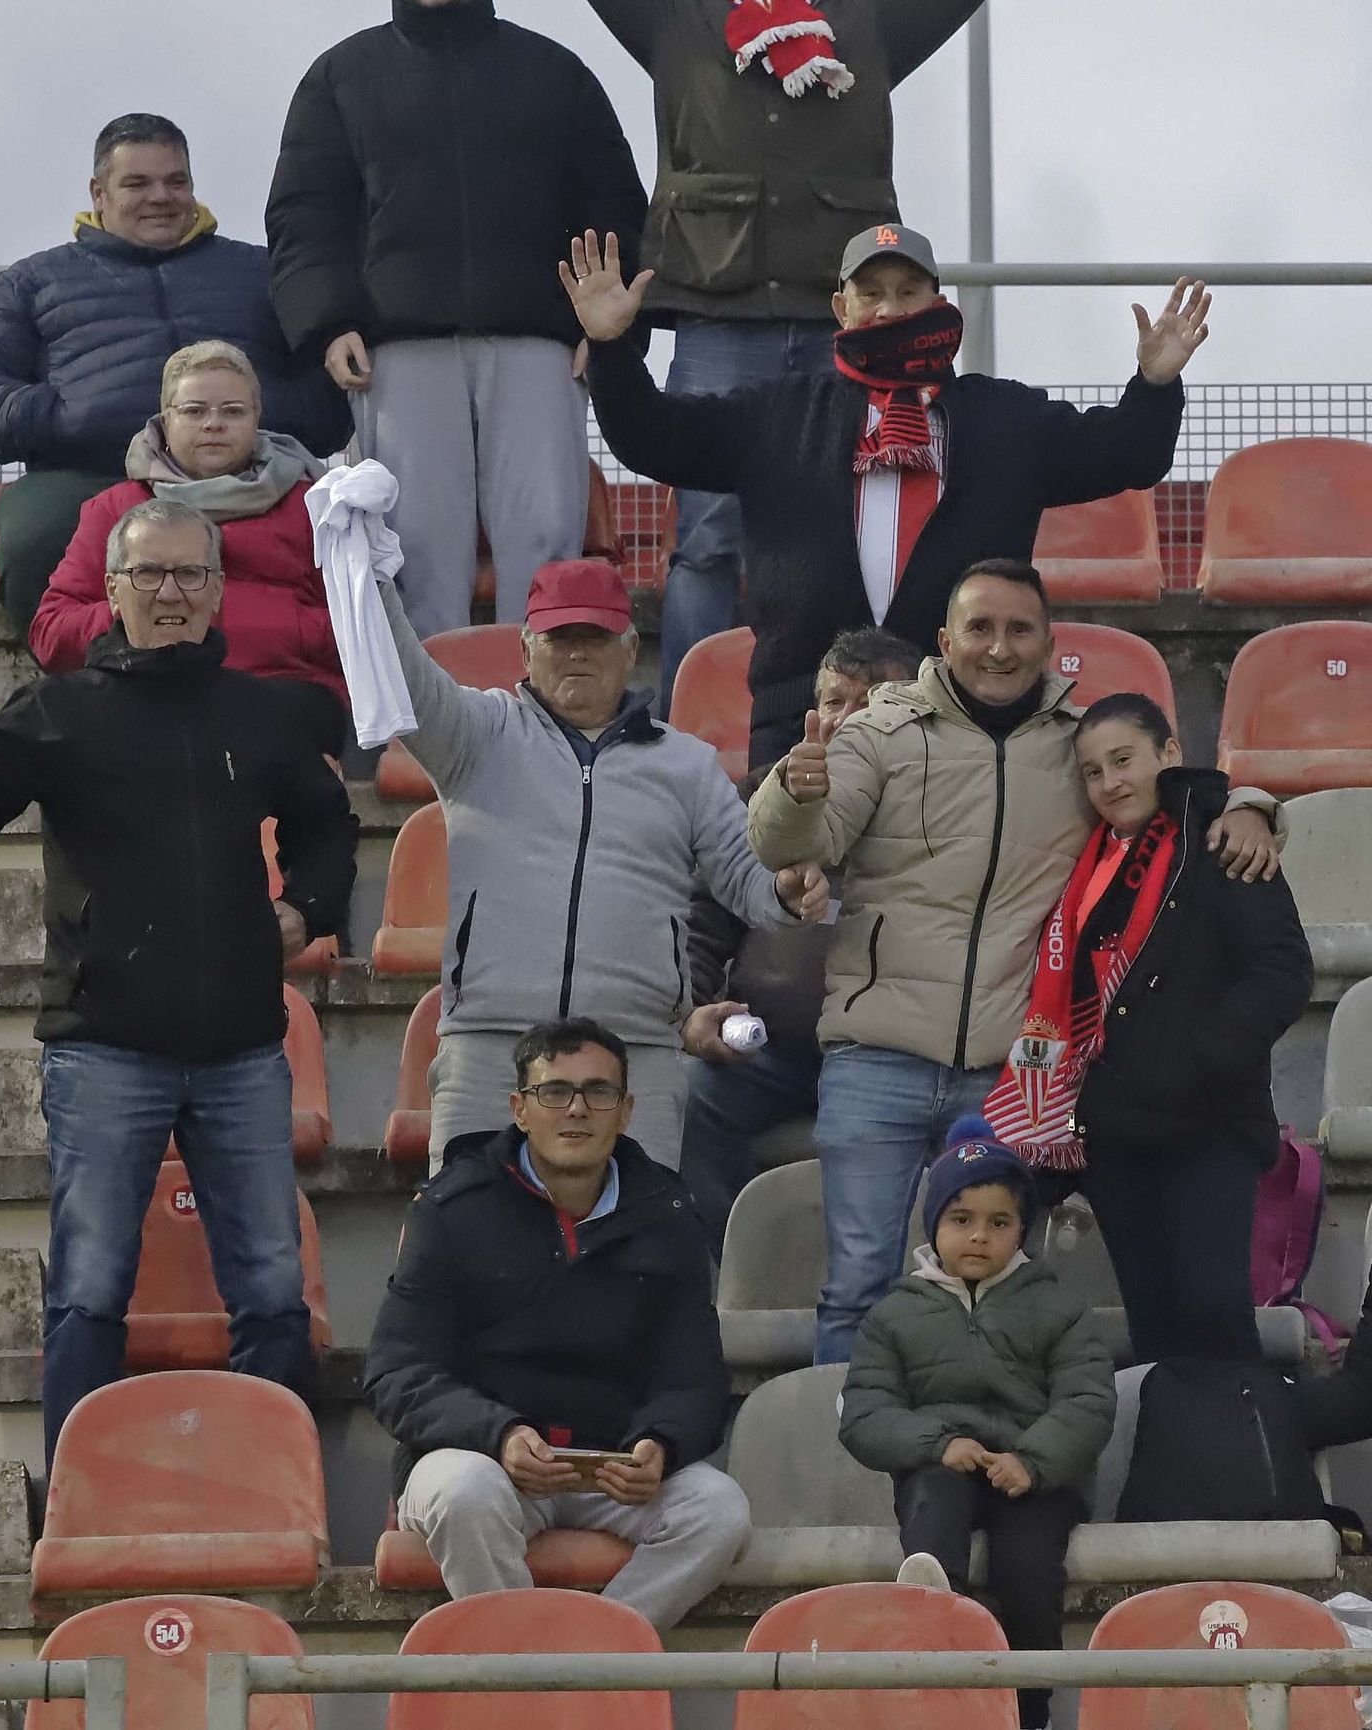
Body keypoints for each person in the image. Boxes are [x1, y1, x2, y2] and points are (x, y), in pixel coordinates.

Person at [530, 0, 1098, 703]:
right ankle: (698, 720)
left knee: (853, 531)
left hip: (853, 332)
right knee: (705, 539)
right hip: (715, 324)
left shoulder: (869, 27)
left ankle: (862, 711)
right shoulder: (676, 23)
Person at [0, 499, 358, 1463]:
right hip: (105, 1047)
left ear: (220, 588)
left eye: (191, 574)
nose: (172, 594)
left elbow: (326, 821)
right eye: (149, 575)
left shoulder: (267, 711)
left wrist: (308, 908)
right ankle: (79, 1488)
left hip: (240, 1048)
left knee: (273, 1286)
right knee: (90, 1286)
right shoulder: (59, 709)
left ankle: (282, 1480)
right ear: (111, 592)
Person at [745, 557, 1282, 1363]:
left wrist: (1251, 805)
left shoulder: (1079, 745)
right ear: (945, 639)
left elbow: (1169, 791)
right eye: (980, 627)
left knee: (993, 1299)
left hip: (1009, 1073)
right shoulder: (875, 732)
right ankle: (845, 1485)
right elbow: (794, 841)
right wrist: (796, 787)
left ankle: (984, 1477)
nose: (999, 648)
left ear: (1048, 643)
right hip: (876, 1059)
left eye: (1018, 629)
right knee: (859, 1287)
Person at [562, 223, 1198, 766]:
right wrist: (613, 351)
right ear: (842, 309)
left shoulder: (1005, 418)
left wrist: (1154, 385)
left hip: (962, 725)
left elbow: (1127, 454)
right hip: (803, 722)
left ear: (937, 301)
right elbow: (655, 439)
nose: (890, 310)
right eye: (871, 294)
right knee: (801, 906)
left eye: (908, 291)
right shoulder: (780, 413)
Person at [265, 0, 647, 638]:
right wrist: (329, 321)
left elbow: (613, 204)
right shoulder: (341, 77)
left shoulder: (553, 71)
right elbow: (306, 215)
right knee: (415, 554)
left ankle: (537, 727)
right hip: (398, 354)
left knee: (546, 545)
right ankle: (429, 743)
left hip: (540, 346)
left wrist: (607, 331)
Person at [375, 550, 830, 1170]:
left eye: (595, 637)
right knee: (472, 1252)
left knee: (629, 1259)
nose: (577, 653)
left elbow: (745, 879)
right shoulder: (475, 735)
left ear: (630, 646)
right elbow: (402, 678)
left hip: (636, 1054)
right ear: (526, 650)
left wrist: (783, 893)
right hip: (490, 1053)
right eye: (560, 637)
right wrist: (368, 575)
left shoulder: (687, 764)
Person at [363, 1017, 751, 1631]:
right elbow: (396, 1372)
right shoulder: (451, 1209)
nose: (577, 1110)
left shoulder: (669, 1214)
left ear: (625, 1111)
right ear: (519, 1108)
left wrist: (660, 1442)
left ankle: (593, 1659)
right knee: (464, 1494)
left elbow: (694, 1375)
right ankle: (524, 1679)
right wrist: (500, 1433)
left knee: (719, 1510)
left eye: (598, 1092)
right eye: (554, 1092)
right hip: (484, 1459)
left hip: (614, 1466)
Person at [984, 693, 1312, 1362]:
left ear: (1169, 754)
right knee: (1155, 1328)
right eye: (1093, 771)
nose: (1110, 783)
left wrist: (1205, 1055)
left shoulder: (1219, 839)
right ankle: (1171, 1461)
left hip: (1208, 1127)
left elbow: (1283, 970)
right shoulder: (1087, 859)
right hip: (1116, 1138)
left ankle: (1242, 1460)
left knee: (1214, 1314)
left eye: (1124, 760)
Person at [0, 113, 348, 645]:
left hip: (250, 474)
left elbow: (328, 374)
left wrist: (243, 417)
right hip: (91, 476)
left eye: (176, 181)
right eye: (137, 183)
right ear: (98, 193)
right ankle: (92, 689)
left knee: (339, 532)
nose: (161, 197)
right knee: (36, 536)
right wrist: (68, 418)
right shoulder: (29, 283)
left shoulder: (264, 275)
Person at [840, 1117, 1114, 1730]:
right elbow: (865, 1413)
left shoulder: (1059, 1306)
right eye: (960, 1220)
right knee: (934, 1504)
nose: (979, 1237)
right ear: (933, 1224)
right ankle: (937, 1636)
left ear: (1023, 1231)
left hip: (1034, 1477)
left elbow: (1087, 1401)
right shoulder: (894, 1314)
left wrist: (1034, 1461)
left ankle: (1030, 1711)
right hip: (942, 1463)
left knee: (1027, 1571)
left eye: (999, 1223)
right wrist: (939, 1444)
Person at [681, 627, 919, 1253]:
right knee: (685, 1095)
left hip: (898, 1050)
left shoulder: (941, 808)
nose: (848, 719)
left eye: (873, 702)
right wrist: (694, 1008)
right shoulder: (763, 794)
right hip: (772, 1047)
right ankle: (722, 1285)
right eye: (835, 701)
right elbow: (704, 919)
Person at [29, 340, 347, 755]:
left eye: (232, 411)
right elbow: (51, 634)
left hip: (282, 697)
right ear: (165, 419)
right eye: (194, 411)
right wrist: (142, 603)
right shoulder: (114, 508)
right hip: (146, 700)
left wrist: (271, 625)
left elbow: (363, 629)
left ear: (258, 418)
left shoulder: (318, 505)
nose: (213, 424)